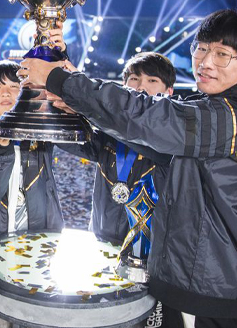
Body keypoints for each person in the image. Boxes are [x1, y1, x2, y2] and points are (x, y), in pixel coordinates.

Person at [19, 9, 237, 327]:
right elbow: (142, 134)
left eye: (222, 54)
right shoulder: (218, 109)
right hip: (188, 278)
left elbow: (151, 120)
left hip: (204, 287)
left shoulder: (235, 116)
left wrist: (60, 80)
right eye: (201, 48)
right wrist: (73, 87)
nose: (205, 62)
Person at [0, 59, 65, 328]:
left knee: (36, 320)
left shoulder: (42, 136)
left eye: (14, 86)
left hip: (38, 253)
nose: (5, 93)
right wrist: (0, 150)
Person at [57, 52, 174, 251]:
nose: (141, 87)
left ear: (169, 91)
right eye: (134, 79)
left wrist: (94, 111)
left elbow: (144, 137)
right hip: (101, 242)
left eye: (152, 80)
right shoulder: (107, 136)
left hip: (150, 251)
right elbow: (68, 141)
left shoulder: (174, 135)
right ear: (123, 86)